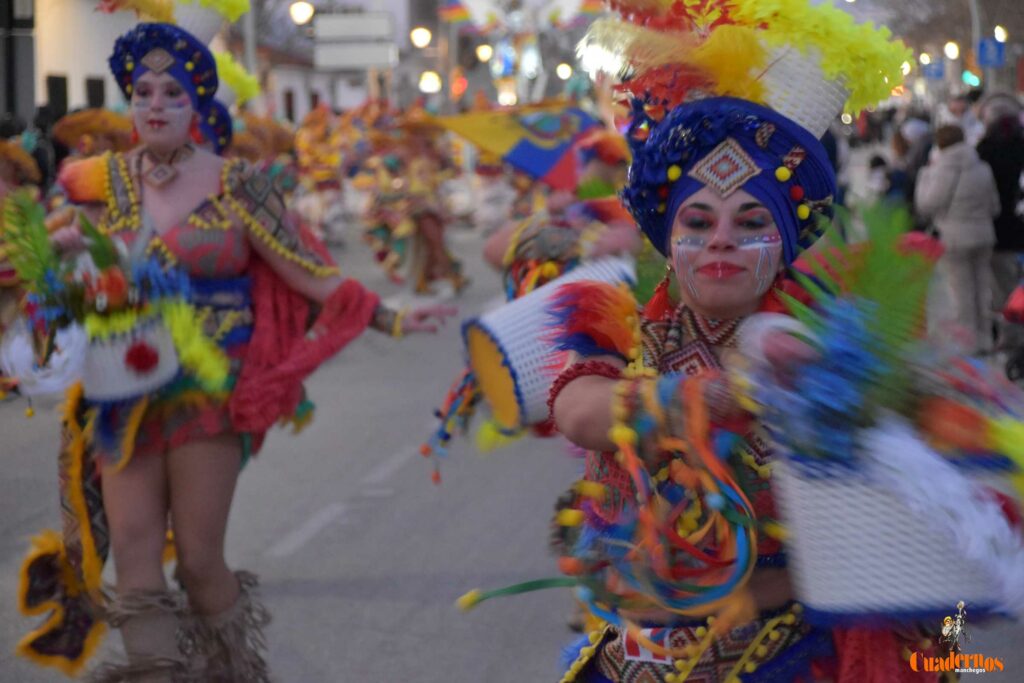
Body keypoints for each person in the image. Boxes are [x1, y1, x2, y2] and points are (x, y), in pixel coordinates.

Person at [16, 23, 453, 682]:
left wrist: (392, 316)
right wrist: (66, 261)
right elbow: (52, 260)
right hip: (120, 389)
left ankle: (232, 670)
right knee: (133, 548)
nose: (155, 104)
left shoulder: (239, 182)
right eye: (142, 92)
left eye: (171, 91)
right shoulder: (100, 182)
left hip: (208, 388)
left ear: (196, 105)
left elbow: (310, 271)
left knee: (196, 557)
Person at [531, 1, 944, 680]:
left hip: (782, 653)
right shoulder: (624, 325)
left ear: (784, 244)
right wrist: (723, 394)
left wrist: (847, 389)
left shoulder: (824, 346)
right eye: (698, 220)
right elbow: (578, 411)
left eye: (750, 220)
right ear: (669, 240)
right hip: (632, 656)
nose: (721, 236)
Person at [915, 125, 1001, 354]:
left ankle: (967, 344)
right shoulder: (983, 167)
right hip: (984, 235)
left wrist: (924, 177)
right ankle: (986, 340)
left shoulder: (943, 168)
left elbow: (928, 204)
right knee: (983, 289)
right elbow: (995, 206)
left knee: (961, 292)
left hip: (955, 238)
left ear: (940, 144)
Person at [976, 97, 1024, 350]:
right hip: (1018, 226)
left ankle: (1010, 336)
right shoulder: (1021, 144)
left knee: (1002, 287)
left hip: (997, 230)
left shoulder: (984, 149)